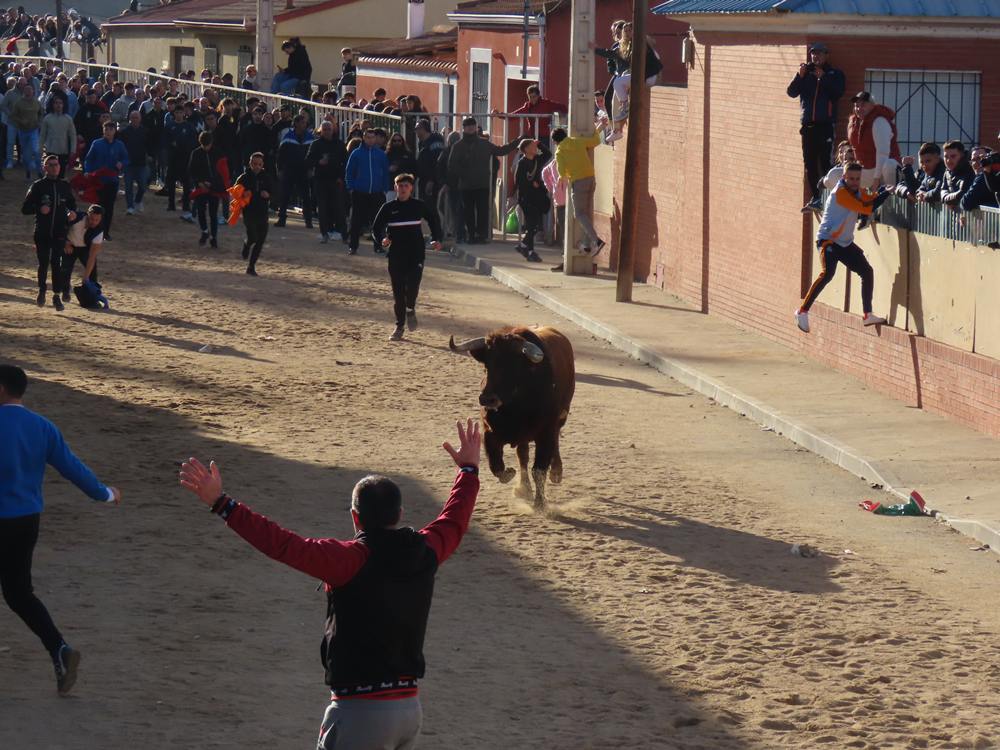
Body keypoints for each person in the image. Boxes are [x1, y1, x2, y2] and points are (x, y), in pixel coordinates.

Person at [178, 417, 479, 749]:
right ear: (400, 514)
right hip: (408, 711)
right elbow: (455, 518)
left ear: (355, 517)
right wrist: (468, 471)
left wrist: (222, 504)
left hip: (360, 713)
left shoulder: (348, 560)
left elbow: (281, 544)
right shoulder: (426, 550)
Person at [0, 364, 121, 696]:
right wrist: (105, 493)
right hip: (26, 520)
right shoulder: (42, 427)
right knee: (19, 593)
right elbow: (72, 468)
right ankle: (59, 649)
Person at [795, 162, 890, 333]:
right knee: (828, 273)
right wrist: (886, 194)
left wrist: (884, 190)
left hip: (844, 243)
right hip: (828, 241)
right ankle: (802, 311)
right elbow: (866, 209)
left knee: (867, 271)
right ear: (844, 177)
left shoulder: (857, 191)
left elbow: (869, 198)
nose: (854, 181)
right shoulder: (841, 193)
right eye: (851, 178)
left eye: (857, 179)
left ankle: (867, 314)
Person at [373, 173, 443, 341]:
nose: (403, 189)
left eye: (406, 186)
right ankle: (399, 326)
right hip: (396, 255)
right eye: (400, 186)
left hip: (416, 254)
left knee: (411, 289)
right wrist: (382, 239)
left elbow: (433, 219)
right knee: (398, 294)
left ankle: (410, 309)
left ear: (411, 188)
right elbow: (376, 227)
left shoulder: (418, 206)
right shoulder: (388, 208)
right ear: (395, 187)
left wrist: (436, 238)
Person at [786, 42, 845, 211]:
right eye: (813, 54)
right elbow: (791, 92)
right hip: (808, 126)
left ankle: (829, 196)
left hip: (825, 125)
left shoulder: (834, 74)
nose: (815, 57)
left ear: (826, 55)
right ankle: (816, 196)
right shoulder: (806, 74)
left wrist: (823, 78)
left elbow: (838, 93)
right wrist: (800, 75)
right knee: (810, 164)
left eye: (819, 54)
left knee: (826, 162)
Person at [447, 117, 518, 244]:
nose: (471, 128)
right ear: (464, 128)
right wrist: (464, 174)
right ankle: (471, 236)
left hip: (482, 184)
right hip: (466, 185)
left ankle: (481, 236)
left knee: (482, 212)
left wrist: (517, 142)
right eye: (468, 126)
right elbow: (452, 165)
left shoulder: (484, 144)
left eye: (473, 126)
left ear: (476, 127)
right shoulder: (458, 146)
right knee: (468, 212)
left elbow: (501, 150)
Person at [22, 154, 77, 310]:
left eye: (56, 164)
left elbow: (71, 204)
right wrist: (39, 208)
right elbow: (25, 209)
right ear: (45, 167)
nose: (54, 167)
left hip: (60, 231)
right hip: (42, 231)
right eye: (51, 165)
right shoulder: (38, 186)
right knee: (44, 263)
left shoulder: (64, 186)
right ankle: (41, 291)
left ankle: (56, 296)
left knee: (57, 263)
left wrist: (71, 212)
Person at [551, 124, 605, 256]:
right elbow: (596, 141)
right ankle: (586, 245)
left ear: (555, 141)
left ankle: (596, 241)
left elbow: (562, 173)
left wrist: (560, 180)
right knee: (586, 213)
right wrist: (598, 129)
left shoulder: (560, 152)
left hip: (578, 181)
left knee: (579, 214)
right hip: (591, 178)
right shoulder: (577, 141)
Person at [344, 128, 390, 255]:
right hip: (360, 192)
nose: (370, 140)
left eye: (372, 137)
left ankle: (378, 246)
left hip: (377, 192)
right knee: (356, 221)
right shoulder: (356, 154)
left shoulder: (381, 154)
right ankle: (353, 246)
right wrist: (351, 187)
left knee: (377, 221)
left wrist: (385, 189)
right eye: (368, 137)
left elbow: (385, 173)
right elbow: (349, 172)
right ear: (364, 138)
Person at [846, 91, 901, 191]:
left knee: (888, 165)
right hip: (866, 169)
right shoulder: (854, 122)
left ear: (872, 105)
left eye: (863, 105)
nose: (859, 109)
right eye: (856, 106)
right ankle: (851, 204)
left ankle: (890, 199)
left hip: (883, 169)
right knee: (835, 175)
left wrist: (876, 179)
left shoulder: (879, 121)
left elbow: (883, 153)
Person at [83, 121, 128, 240]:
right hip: (98, 181)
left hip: (112, 181)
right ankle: (93, 231)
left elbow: (126, 158)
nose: (108, 132)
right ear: (103, 130)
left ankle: (105, 232)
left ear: (115, 131)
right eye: (106, 129)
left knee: (109, 208)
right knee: (96, 206)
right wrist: (87, 171)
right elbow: (88, 159)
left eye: (111, 129)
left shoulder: (119, 145)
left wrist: (121, 163)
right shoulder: (96, 144)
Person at [307, 120, 347, 243]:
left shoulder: (340, 144)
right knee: (323, 208)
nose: (327, 132)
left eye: (329, 129)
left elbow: (345, 163)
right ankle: (325, 232)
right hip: (320, 180)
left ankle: (340, 232)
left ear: (333, 130)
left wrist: (341, 177)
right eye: (324, 129)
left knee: (338, 207)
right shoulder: (315, 144)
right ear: (320, 131)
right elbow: (308, 160)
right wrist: (318, 162)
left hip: (336, 180)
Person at [233, 152, 272, 275]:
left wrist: (268, 195)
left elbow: (275, 192)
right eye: (254, 164)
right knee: (253, 237)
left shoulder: (266, 177)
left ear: (262, 165)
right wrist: (242, 193)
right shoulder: (243, 178)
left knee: (261, 240)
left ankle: (251, 266)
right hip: (249, 212)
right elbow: (234, 192)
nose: (257, 167)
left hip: (263, 212)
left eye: (259, 164)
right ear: (250, 164)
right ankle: (247, 244)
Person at [274, 114, 314, 229]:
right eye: (302, 122)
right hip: (289, 170)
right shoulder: (288, 137)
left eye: (305, 122)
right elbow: (280, 155)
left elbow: (312, 156)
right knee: (285, 195)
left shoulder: (310, 137)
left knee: (306, 196)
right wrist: (280, 169)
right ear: (296, 123)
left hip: (303, 171)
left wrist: (311, 169)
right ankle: (281, 219)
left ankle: (308, 220)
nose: (304, 124)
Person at [513, 138, 550, 263]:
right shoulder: (522, 163)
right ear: (526, 149)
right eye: (532, 146)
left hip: (537, 197)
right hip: (526, 198)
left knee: (532, 226)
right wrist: (531, 184)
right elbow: (518, 182)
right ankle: (525, 247)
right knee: (533, 225)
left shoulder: (537, 160)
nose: (535, 148)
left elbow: (548, 154)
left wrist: (539, 143)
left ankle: (528, 250)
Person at [189, 130, 224, 248]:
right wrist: (199, 182)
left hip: (214, 187)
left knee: (213, 213)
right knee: (201, 210)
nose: (206, 148)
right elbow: (192, 171)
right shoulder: (196, 153)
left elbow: (221, 171)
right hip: (201, 186)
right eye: (204, 145)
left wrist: (212, 183)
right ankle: (204, 230)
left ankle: (214, 237)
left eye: (208, 145)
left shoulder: (218, 153)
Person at [62, 203, 104, 297]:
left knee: (92, 271)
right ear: (87, 214)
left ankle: (92, 293)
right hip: (70, 245)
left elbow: (92, 256)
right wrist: (65, 243)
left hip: (85, 249)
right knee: (65, 270)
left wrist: (86, 278)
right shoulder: (77, 218)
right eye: (92, 219)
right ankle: (65, 291)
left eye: (97, 220)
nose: (94, 222)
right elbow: (60, 229)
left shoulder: (98, 231)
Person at [164, 103, 198, 220]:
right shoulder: (169, 126)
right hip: (173, 158)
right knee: (171, 182)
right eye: (176, 113)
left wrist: (180, 145)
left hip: (185, 158)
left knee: (187, 183)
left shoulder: (189, 126)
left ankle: (186, 205)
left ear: (184, 113)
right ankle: (171, 204)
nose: (178, 115)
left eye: (180, 112)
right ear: (174, 114)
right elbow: (166, 142)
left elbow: (193, 142)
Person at [9, 82, 43, 179]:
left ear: (33, 91)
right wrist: (21, 121)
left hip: (34, 130)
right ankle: (28, 171)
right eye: (26, 89)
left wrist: (39, 122)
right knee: (26, 153)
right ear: (24, 91)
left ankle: (39, 171)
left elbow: (41, 112)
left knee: (36, 151)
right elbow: (13, 116)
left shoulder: (37, 102)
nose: (28, 91)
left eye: (30, 89)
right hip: (23, 131)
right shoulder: (19, 103)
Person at [117, 110, 149, 215]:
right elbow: (121, 148)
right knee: (128, 187)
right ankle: (130, 206)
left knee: (143, 186)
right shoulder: (125, 132)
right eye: (133, 117)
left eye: (137, 117)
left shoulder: (145, 131)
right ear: (129, 119)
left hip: (141, 163)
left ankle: (138, 200)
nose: (135, 119)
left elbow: (149, 145)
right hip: (128, 164)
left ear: (140, 119)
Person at [39, 95, 75, 178]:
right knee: (50, 174)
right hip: (50, 150)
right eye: (56, 103)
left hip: (63, 151)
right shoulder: (47, 118)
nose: (58, 105)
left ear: (63, 104)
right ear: (52, 104)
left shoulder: (68, 119)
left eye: (60, 103)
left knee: (61, 174)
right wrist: (40, 148)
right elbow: (42, 135)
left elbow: (72, 136)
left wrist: (73, 149)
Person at [935, 140, 976, 208]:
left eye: (953, 156)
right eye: (946, 157)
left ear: (962, 155)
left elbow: (963, 193)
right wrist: (947, 198)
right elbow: (943, 190)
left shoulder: (969, 170)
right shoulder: (947, 171)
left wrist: (947, 199)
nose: (948, 160)